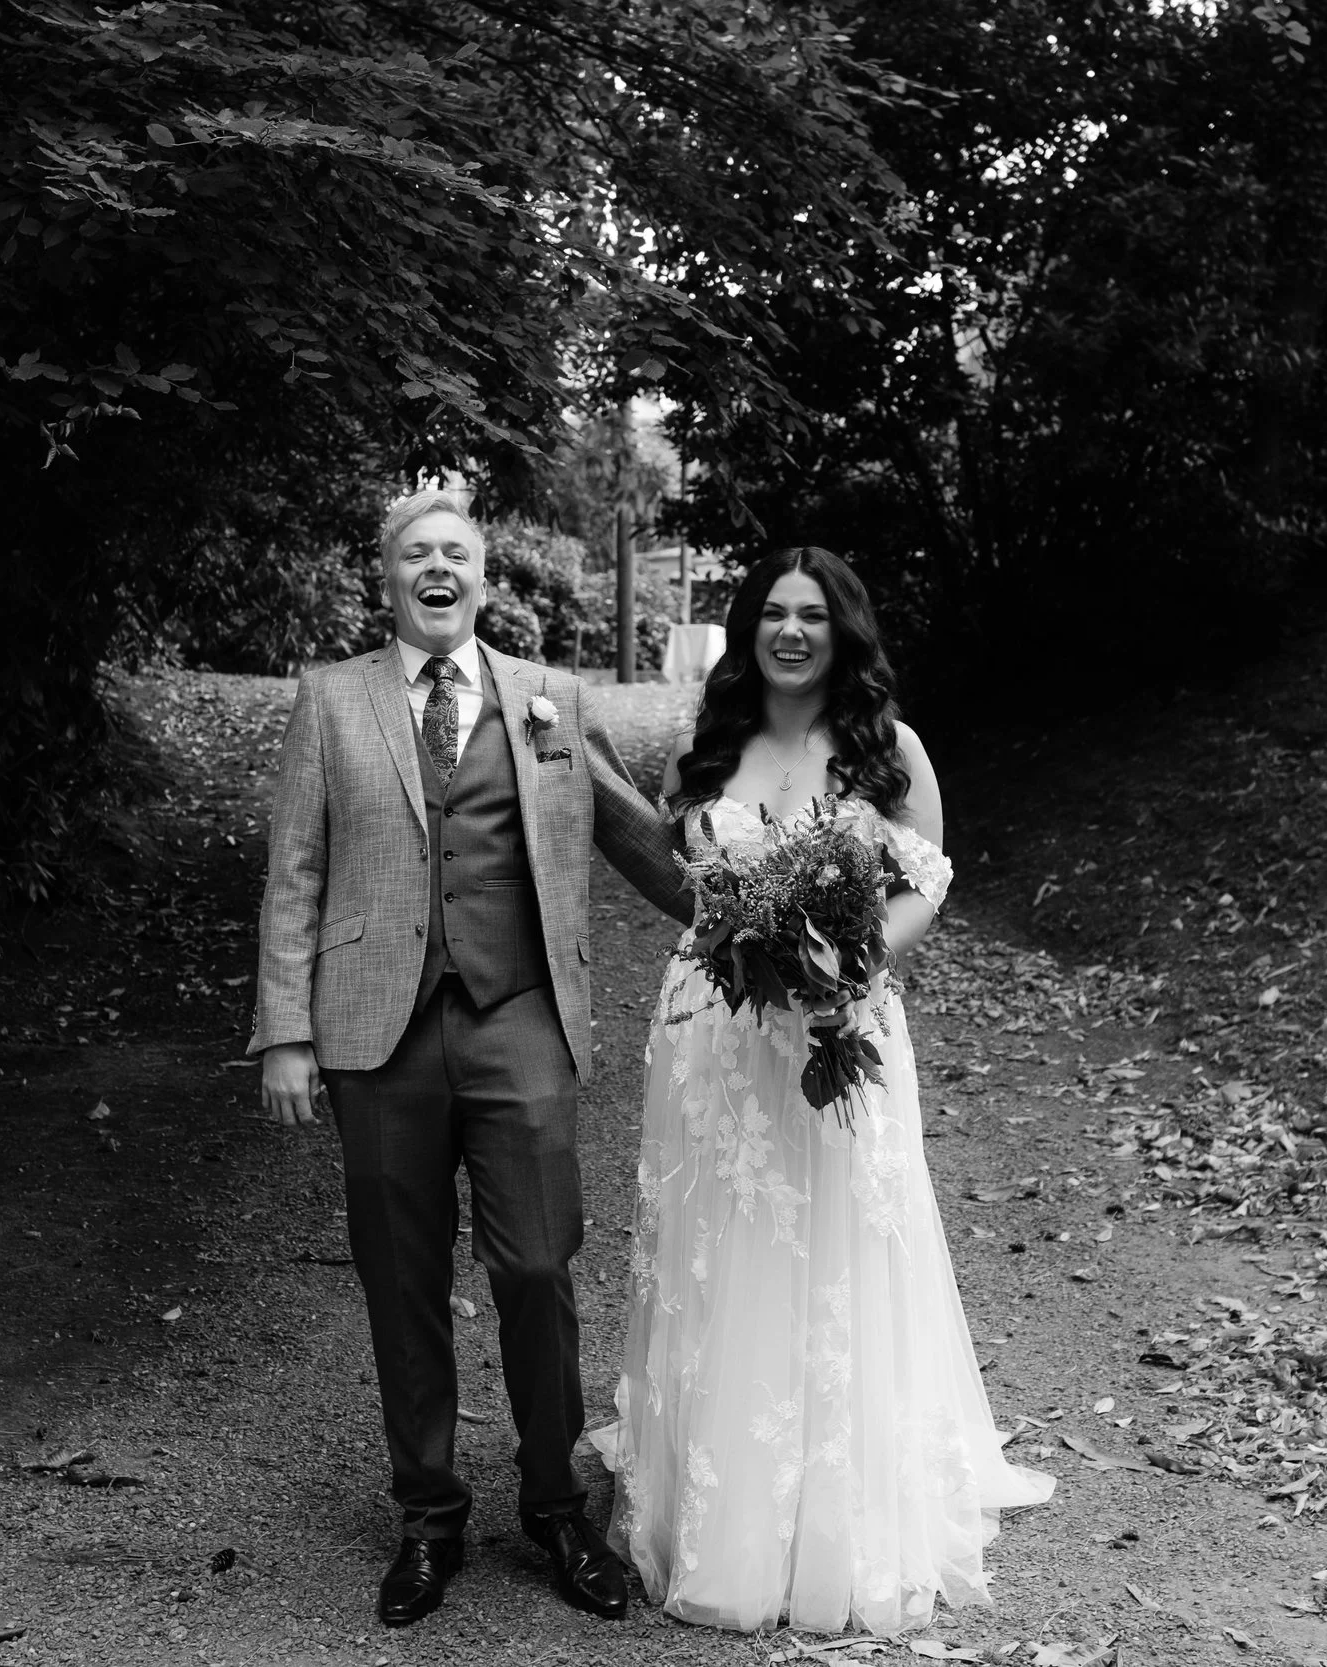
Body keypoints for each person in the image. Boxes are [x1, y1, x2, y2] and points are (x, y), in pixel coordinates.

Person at [587, 546, 1054, 1635]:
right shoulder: (709, 750)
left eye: (812, 616)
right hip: (712, 1040)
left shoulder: (889, 750)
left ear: (843, 632)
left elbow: (925, 880)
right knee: (726, 1249)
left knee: (833, 1248)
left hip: (843, 1026)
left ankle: (832, 1515)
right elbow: (686, 881)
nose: (789, 632)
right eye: (772, 614)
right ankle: (721, 1507)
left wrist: (853, 970)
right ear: (748, 628)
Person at [250, 489, 695, 1629]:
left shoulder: (548, 696)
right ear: (386, 577)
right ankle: (428, 1515)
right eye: (414, 553)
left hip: (520, 1017)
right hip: (374, 1032)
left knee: (539, 1265)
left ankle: (555, 1506)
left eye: (455, 551)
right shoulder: (331, 698)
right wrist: (287, 1031)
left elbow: (632, 828)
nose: (435, 566)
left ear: (484, 579)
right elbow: (295, 869)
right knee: (401, 1280)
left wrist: (750, 913)